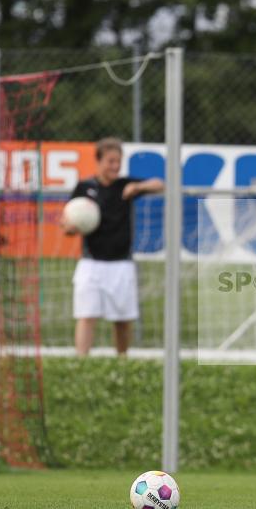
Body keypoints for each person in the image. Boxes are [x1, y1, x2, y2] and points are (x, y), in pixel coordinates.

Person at [61, 137, 164, 357]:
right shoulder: (84, 187)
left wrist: (138, 187)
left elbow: (160, 184)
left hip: (121, 264)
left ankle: (122, 359)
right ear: (99, 161)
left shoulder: (125, 185)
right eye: (110, 161)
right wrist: (71, 227)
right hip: (91, 262)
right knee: (86, 314)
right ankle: (81, 359)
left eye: (118, 161)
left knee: (122, 319)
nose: (115, 166)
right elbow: (67, 222)